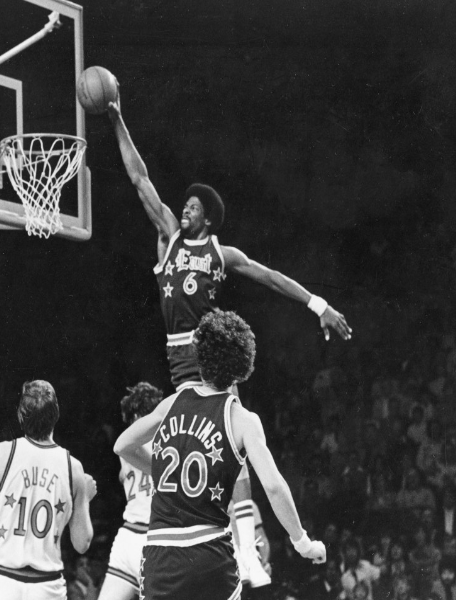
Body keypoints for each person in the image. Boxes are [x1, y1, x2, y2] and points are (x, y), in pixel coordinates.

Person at [107, 94, 351, 589]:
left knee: (234, 441)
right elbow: (140, 179)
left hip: (211, 356)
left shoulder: (222, 252)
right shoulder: (168, 237)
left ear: (209, 218)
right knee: (186, 441)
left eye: (194, 206)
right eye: (185, 204)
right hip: (178, 365)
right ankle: (194, 516)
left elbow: (271, 276)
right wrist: (116, 117)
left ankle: (245, 546)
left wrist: (318, 305)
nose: (184, 207)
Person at [114, 310, 326, 600]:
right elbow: (274, 487)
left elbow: (122, 446)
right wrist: (303, 543)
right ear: (242, 368)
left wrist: (163, 472)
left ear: (199, 357)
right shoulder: (242, 419)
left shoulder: (172, 403)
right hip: (209, 554)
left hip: (160, 555)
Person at [0, 380, 98, 600]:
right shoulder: (73, 467)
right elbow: (82, 544)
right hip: (47, 588)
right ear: (56, 414)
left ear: (21, 415)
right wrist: (83, 499)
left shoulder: (2, 453)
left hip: (2, 582)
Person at [98, 382, 163, 600]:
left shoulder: (125, 444)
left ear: (134, 415)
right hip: (156, 539)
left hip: (129, 536)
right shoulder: (172, 441)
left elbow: (123, 475)